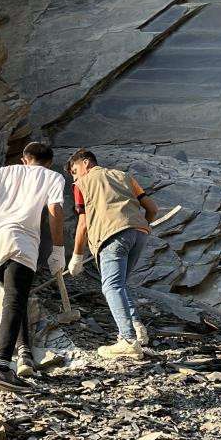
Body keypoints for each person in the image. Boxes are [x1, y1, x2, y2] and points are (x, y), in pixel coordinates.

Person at [0, 142, 66, 391]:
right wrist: (58, 249)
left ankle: (24, 354)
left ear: (25, 159)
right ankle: (1, 368)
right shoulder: (53, 176)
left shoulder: (3, 172)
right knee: (14, 299)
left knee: (15, 297)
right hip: (21, 243)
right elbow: (55, 209)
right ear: (49, 162)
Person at [66, 149, 158, 360]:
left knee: (111, 286)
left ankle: (127, 341)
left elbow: (83, 224)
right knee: (120, 283)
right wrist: (139, 225)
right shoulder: (124, 176)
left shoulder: (81, 184)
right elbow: (152, 209)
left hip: (111, 236)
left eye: (74, 170)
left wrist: (77, 256)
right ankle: (137, 329)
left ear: (86, 163)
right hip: (139, 234)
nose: (74, 176)